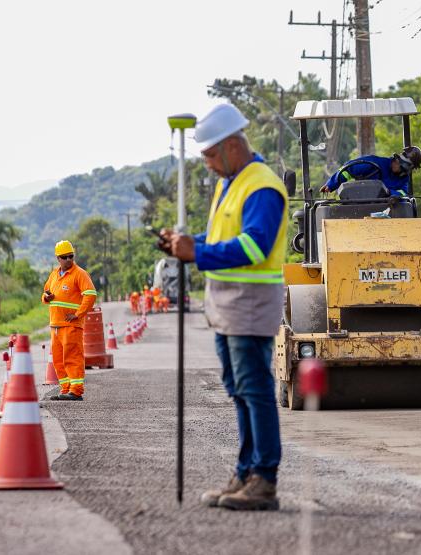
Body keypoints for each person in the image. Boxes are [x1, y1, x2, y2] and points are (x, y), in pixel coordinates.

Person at [160, 103, 288, 512]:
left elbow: (253, 246)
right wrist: (185, 244)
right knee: (239, 390)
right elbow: (221, 235)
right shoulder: (230, 184)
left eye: (212, 155)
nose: (210, 165)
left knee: (254, 391)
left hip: (250, 304)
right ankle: (246, 471)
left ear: (233, 145)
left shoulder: (261, 186)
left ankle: (263, 479)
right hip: (228, 305)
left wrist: (197, 252)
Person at [42, 240, 97, 401]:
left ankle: (76, 390)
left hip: (71, 325)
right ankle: (65, 389)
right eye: (64, 257)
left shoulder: (80, 274)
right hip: (56, 325)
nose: (68, 260)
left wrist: (78, 314)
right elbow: (45, 294)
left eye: (71, 256)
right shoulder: (54, 275)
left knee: (72, 357)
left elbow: (91, 294)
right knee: (58, 360)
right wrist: (47, 297)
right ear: (58, 258)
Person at [320, 146, 421, 197]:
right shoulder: (374, 162)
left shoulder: (404, 178)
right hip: (359, 203)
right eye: (397, 162)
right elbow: (347, 170)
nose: (397, 165)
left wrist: (390, 193)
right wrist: (331, 184)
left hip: (386, 211)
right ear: (397, 159)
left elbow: (403, 193)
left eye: (404, 170)